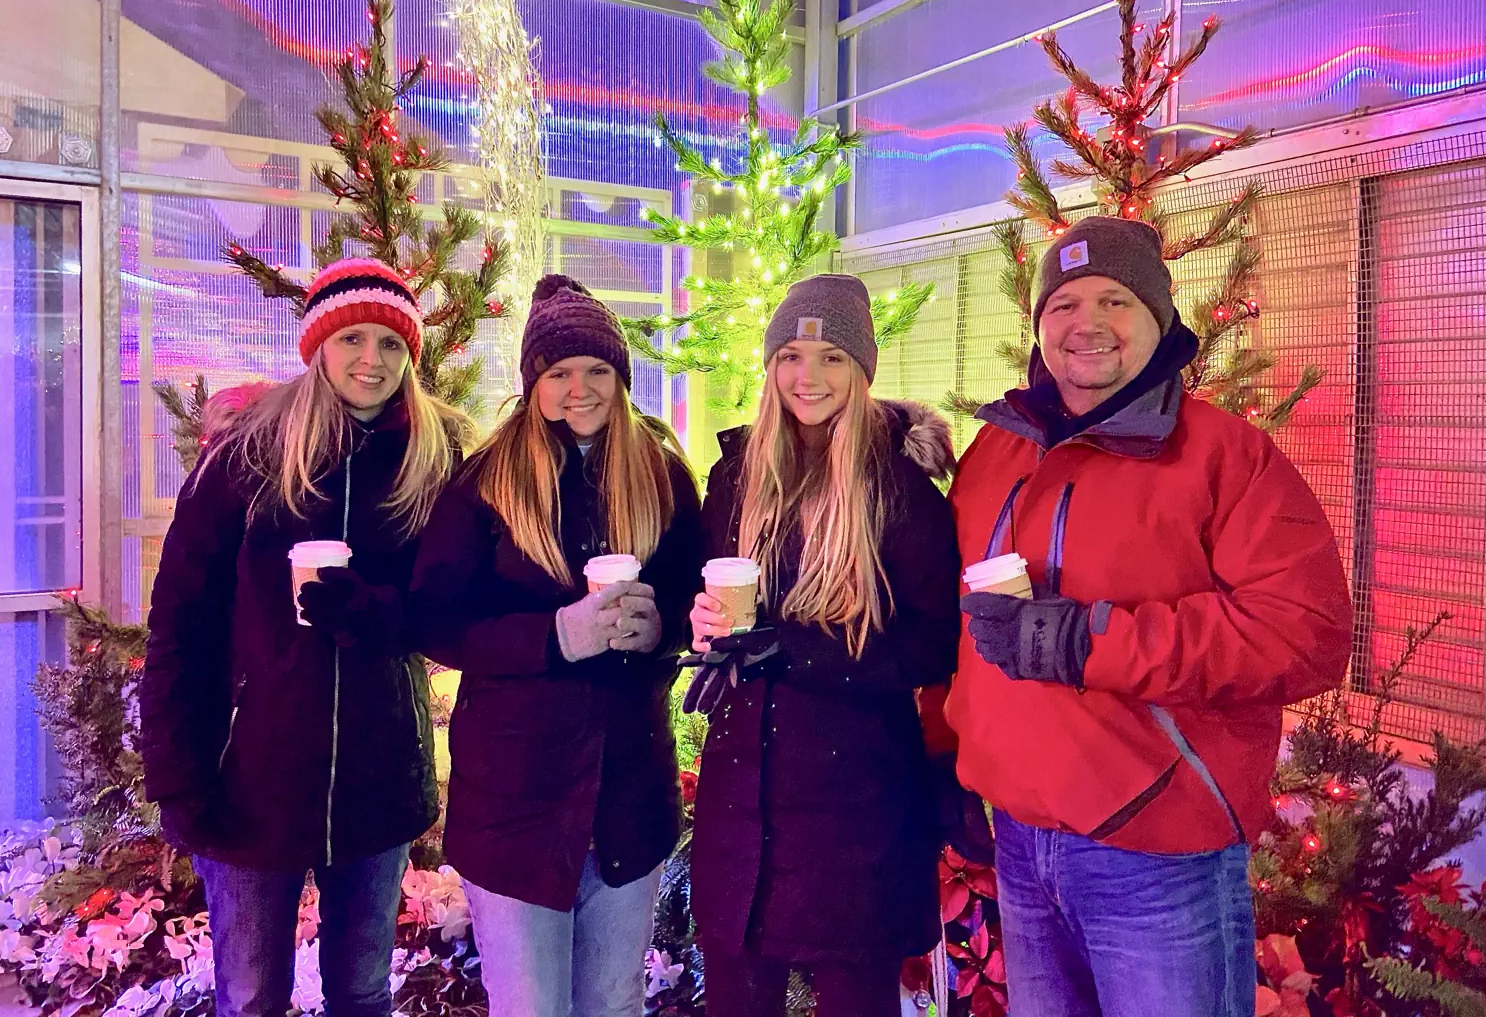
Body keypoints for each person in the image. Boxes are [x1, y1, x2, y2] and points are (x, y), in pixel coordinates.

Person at [939, 215, 1353, 1017]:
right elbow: (948, 617)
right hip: (1020, 840)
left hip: (1157, 849)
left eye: (1114, 300)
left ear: (1160, 318)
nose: (1085, 324)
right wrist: (945, 748)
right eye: (1062, 304)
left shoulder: (1223, 455)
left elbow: (1304, 633)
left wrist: (1093, 640)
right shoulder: (994, 453)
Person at [141, 257, 473, 1017]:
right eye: (351, 338)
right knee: (254, 994)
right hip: (250, 776)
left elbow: (454, 610)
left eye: (391, 345)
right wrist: (177, 777)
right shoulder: (248, 457)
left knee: (360, 992)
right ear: (317, 345)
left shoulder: (432, 460)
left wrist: (380, 612)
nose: (372, 360)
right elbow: (180, 627)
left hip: (378, 778)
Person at [407, 274, 702, 1017]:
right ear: (534, 382)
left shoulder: (660, 473)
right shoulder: (486, 482)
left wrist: (659, 630)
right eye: (560, 372)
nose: (580, 388)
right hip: (515, 802)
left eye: (598, 370)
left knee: (612, 1001)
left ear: (621, 379)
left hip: (627, 798)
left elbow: (692, 598)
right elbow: (436, 620)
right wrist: (552, 636)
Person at [685, 274, 963, 1017]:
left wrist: (795, 648)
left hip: (858, 806)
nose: (809, 377)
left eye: (833, 356)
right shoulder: (737, 479)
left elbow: (935, 645)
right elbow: (702, 589)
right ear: (771, 366)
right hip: (742, 799)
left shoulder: (900, 493)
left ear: (862, 370)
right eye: (792, 355)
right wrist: (704, 621)